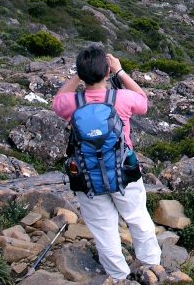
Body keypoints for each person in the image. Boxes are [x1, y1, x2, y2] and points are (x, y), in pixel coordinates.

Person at [53, 45, 161, 280]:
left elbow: (57, 100)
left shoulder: (72, 103)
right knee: (137, 218)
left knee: (104, 230)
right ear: (107, 73)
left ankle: (118, 275)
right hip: (124, 172)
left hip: (87, 176)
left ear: (81, 75)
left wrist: (78, 75)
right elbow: (143, 101)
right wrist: (120, 71)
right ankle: (151, 264)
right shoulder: (121, 98)